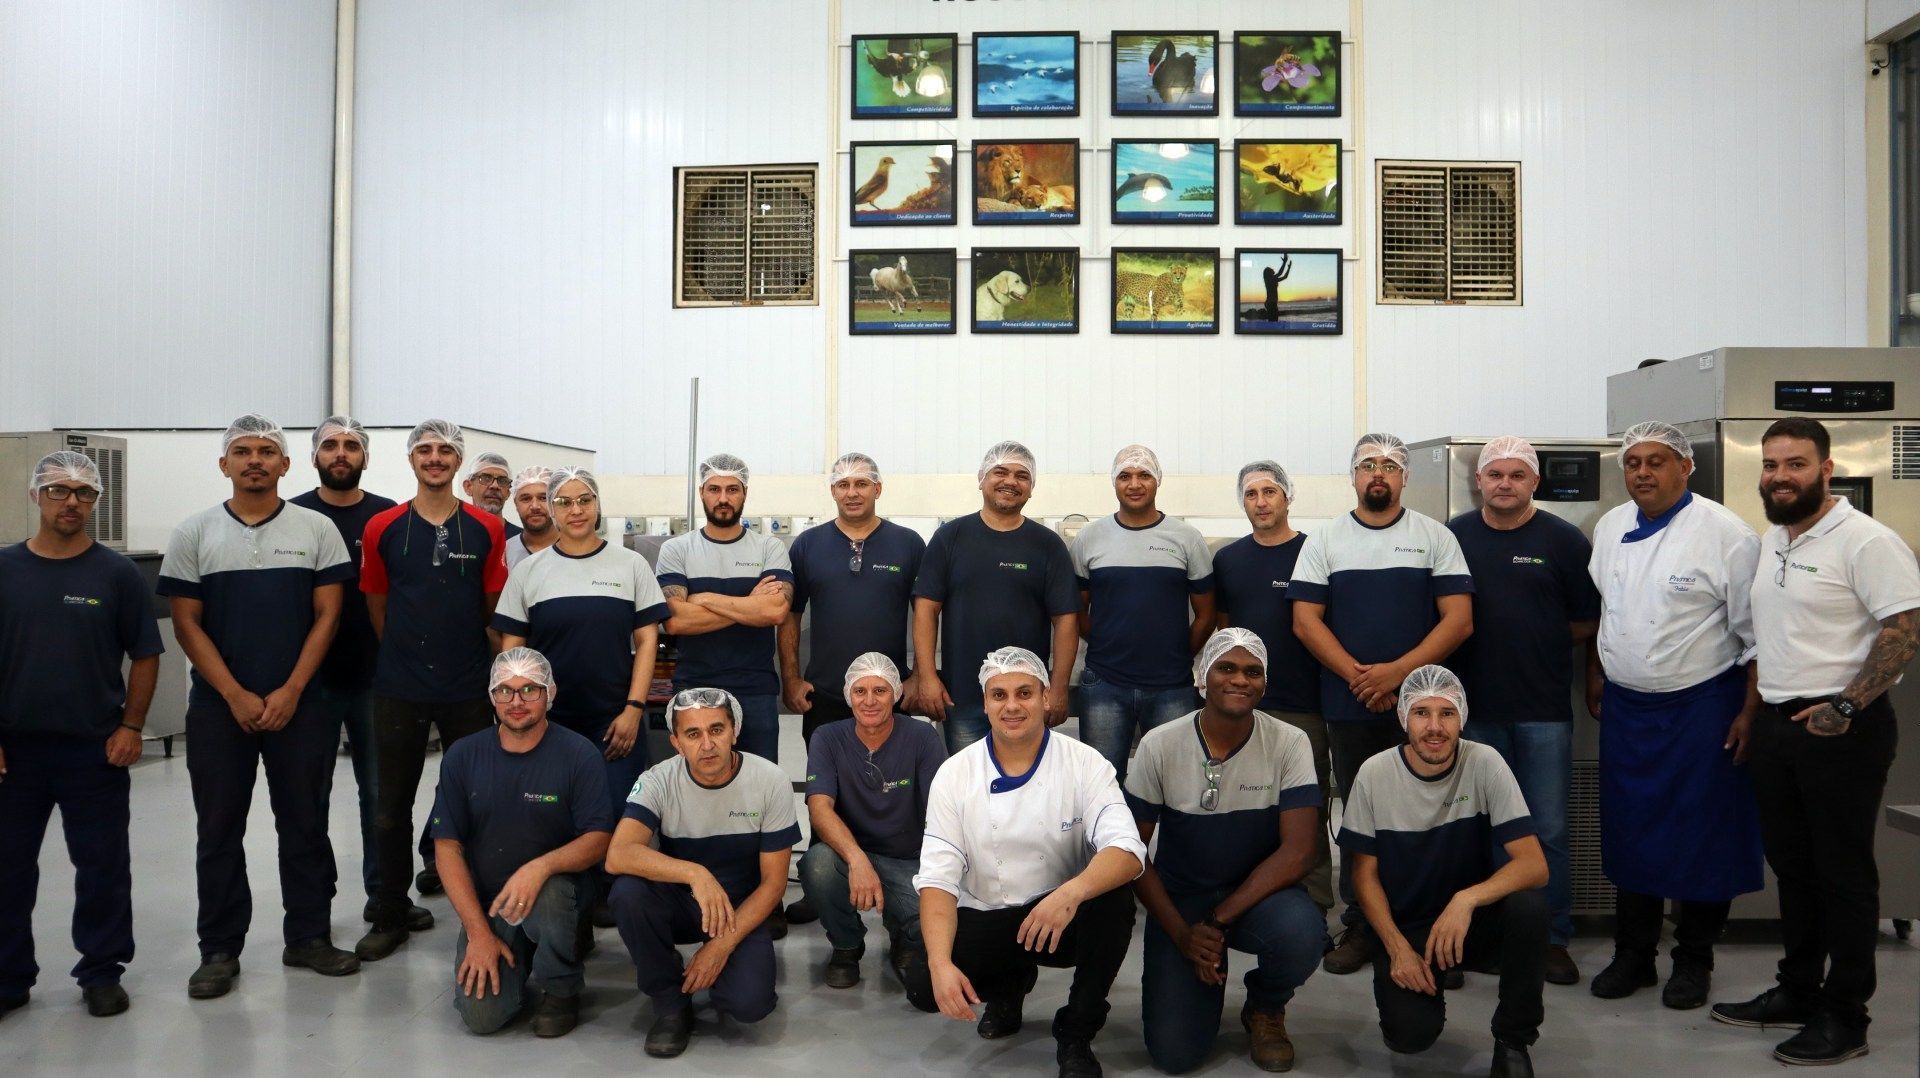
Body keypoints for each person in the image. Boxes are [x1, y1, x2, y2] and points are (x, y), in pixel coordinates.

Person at [1711, 417, 1920, 1066]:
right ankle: (1798, 990)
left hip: (1841, 728)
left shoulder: (1865, 540)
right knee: (1795, 871)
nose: (1780, 476)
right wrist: (1758, 712)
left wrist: (1847, 705)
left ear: (1826, 469)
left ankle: (1846, 1016)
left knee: (1843, 875)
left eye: (1795, 464)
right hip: (1778, 722)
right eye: (1771, 464)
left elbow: (1905, 630)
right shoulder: (1774, 540)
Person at [156, 415, 359, 998]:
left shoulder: (316, 529)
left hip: (304, 705)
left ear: (285, 466)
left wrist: (292, 689)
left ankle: (309, 937)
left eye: (267, 451)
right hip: (221, 709)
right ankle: (218, 949)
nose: (254, 460)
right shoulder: (194, 533)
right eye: (242, 451)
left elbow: (328, 615)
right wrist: (234, 693)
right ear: (224, 464)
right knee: (218, 829)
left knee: (305, 823)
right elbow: (186, 624)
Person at [1586, 421, 1763, 1010]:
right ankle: (1634, 955)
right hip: (1629, 708)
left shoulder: (1726, 535)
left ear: (1685, 468)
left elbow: (1757, 635)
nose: (1642, 472)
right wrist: (1597, 672)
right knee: (1630, 831)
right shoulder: (1611, 527)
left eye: (1656, 461)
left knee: (1701, 836)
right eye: (1632, 462)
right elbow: (1608, 613)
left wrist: (1748, 710)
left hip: (1702, 706)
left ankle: (1693, 960)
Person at [906, 647, 1145, 1078]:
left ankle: (1076, 1030)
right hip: (989, 914)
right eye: (999, 695)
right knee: (925, 987)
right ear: (984, 703)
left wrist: (1071, 892)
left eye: (1024, 693)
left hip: (1062, 917)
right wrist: (941, 965)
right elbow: (938, 876)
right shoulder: (956, 773)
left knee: (1115, 901)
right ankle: (1010, 984)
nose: (1012, 706)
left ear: (1046, 698)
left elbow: (1127, 849)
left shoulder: (1085, 763)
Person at [1291, 433, 1474, 974]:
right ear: (1353, 476)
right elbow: (1305, 621)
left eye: (1389, 466)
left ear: (1404, 478)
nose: (1378, 474)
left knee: (1430, 816)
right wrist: (1361, 678)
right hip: (1350, 705)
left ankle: (1431, 931)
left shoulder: (1433, 537)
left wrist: (1400, 676)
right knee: (1360, 814)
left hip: (1425, 711)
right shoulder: (1325, 540)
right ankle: (1364, 926)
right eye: (1368, 465)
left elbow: (1459, 620)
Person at [0, 452, 164, 1019]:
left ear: (96, 500)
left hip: (93, 749)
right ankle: (8, 975)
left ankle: (101, 970)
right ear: (35, 496)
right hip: (14, 752)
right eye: (58, 490)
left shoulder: (115, 574)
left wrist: (132, 726)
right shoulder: (4, 568)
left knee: (101, 866)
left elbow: (145, 655)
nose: (71, 502)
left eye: (83, 493)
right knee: (8, 867)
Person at [1125, 629, 1327, 1073]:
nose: (1240, 680)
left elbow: (1298, 852)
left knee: (1302, 933)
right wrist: (1183, 934)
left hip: (1257, 897)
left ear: (1265, 683)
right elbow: (1130, 853)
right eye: (1227, 668)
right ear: (1203, 677)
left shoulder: (1289, 743)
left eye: (1253, 671)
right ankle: (1195, 983)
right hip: (1183, 901)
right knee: (1174, 1055)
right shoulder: (1160, 745)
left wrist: (1216, 922)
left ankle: (1265, 1006)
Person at [1339, 665, 1549, 1078]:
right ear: (1403, 717)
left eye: (1446, 713)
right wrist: (1397, 948)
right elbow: (1364, 876)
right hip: (1408, 925)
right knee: (1409, 1038)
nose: (1434, 727)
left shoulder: (1484, 761)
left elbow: (1534, 865)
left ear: (1462, 718)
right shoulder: (1374, 774)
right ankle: (1418, 986)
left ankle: (1513, 1040)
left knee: (1530, 907)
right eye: (1421, 713)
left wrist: (1466, 899)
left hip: (1468, 921)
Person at [1444, 437, 1599, 986]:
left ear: (1535, 482)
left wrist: (1538, 639)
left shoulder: (1562, 541)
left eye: (1516, 475)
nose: (1504, 483)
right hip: (1473, 714)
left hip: (1542, 713)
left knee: (1548, 829)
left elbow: (1588, 619)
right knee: (1476, 827)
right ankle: (1480, 935)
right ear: (1479, 481)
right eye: (1494, 474)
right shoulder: (1454, 537)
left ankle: (1552, 938)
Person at [356, 419, 510, 961]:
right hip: (399, 687)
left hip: (468, 686)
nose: (435, 458)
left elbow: (493, 610)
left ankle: (484, 916)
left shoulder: (487, 531)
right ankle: (389, 910)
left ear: (458, 462)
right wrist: (405, 654)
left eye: (446, 450)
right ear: (412, 459)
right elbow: (377, 603)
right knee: (389, 806)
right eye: (425, 449)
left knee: (477, 804)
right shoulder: (383, 527)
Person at [494, 466, 667, 926]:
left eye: (584, 500)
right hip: (552, 723)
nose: (575, 510)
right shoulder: (531, 571)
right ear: (550, 508)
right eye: (564, 502)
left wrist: (633, 708)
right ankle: (569, 899)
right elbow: (512, 648)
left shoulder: (629, 566)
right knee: (555, 814)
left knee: (617, 813)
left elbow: (647, 640)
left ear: (597, 505)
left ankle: (612, 893)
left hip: (614, 719)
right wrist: (518, 710)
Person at [606, 687, 801, 1059]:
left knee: (748, 1005)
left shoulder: (769, 781)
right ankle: (669, 1002)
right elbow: (618, 855)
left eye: (717, 729)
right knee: (627, 893)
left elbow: (775, 884)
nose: (707, 744)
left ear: (735, 731)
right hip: (681, 901)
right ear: (676, 741)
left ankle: (717, 970)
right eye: (693, 734)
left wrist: (719, 947)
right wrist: (696, 874)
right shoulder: (658, 779)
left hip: (738, 910)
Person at [430, 648, 612, 1038]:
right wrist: (478, 933)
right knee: (482, 1019)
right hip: (494, 904)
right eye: (504, 691)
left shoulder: (579, 755)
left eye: (530, 689)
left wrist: (539, 867)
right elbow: (447, 848)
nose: (516, 702)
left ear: (550, 693)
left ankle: (561, 988)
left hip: (558, 892)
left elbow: (598, 839)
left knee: (549, 895)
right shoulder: (463, 756)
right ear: (491, 696)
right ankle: (525, 949)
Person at [288, 416, 422, 935]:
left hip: (378, 680)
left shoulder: (390, 518)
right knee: (309, 798)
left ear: (365, 458)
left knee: (382, 797)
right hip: (309, 683)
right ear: (314, 456)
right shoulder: (293, 516)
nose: (340, 453)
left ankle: (385, 895)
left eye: (350, 446)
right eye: (330, 446)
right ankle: (315, 903)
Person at [1210, 459, 1334, 912]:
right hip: (1243, 708)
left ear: (1287, 496)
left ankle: (1315, 903)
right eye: (1251, 494)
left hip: (1303, 704)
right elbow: (1223, 634)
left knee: (1307, 808)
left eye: (1269, 492)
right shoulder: (1228, 559)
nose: (1260, 502)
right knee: (1245, 806)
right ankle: (1246, 896)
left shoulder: (1315, 552)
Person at [910, 442, 1079, 754]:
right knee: (970, 787)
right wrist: (928, 677)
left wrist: (1058, 687)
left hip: (1026, 699)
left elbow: (1066, 620)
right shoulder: (951, 538)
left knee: (1025, 786)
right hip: (961, 698)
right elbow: (925, 610)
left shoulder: (1047, 545)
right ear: (981, 478)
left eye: (1021, 476)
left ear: (1031, 488)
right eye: (1000, 472)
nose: (1010, 481)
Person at [798, 653, 946, 988]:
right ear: (848, 696)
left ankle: (903, 938)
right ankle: (847, 944)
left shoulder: (922, 737)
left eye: (879, 690)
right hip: (850, 857)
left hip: (908, 859)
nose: (869, 700)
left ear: (896, 694)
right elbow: (819, 808)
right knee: (817, 865)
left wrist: (938, 872)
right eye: (860, 691)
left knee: (932, 923)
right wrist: (856, 859)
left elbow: (942, 810)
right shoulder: (827, 737)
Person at [1072, 444, 1215, 786]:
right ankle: (1105, 843)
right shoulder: (1089, 538)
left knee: (1175, 784)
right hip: (1105, 684)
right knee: (1101, 784)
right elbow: (1077, 610)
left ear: (1157, 481)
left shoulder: (1186, 539)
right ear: (1114, 483)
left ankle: (1172, 844)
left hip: (1171, 687)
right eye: (1125, 476)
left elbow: (1206, 614)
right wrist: (1108, 642)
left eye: (1144, 475)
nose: (1134, 483)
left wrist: (1180, 653)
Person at [656, 453, 793, 764]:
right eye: (714, 489)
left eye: (732, 489)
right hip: (694, 688)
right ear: (702, 493)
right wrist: (749, 604)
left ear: (744, 493)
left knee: (758, 788)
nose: (723, 498)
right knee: (697, 785)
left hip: (755, 689)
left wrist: (703, 598)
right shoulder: (676, 549)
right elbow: (674, 621)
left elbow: (774, 612)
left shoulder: (768, 547)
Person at [780, 452, 926, 741]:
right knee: (826, 783)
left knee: (891, 782)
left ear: (877, 489)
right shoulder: (808, 545)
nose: (852, 493)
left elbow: (926, 613)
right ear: (833, 491)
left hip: (889, 694)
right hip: (825, 695)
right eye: (843, 485)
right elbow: (789, 617)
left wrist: (919, 676)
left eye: (861, 483)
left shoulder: (908, 543)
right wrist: (791, 680)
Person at [503, 466, 555, 571]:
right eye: (526, 499)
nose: (535, 506)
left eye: (543, 498)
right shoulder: (506, 551)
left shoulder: (574, 547)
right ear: (516, 504)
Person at [464, 451, 520, 539]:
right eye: (486, 478)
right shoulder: (452, 534)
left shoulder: (521, 540)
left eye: (502, 481)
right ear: (468, 487)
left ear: (509, 491)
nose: (495, 486)